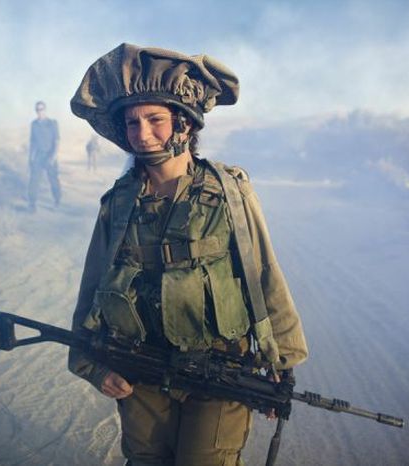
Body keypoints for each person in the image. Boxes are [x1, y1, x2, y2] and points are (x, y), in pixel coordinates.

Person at [68, 43, 308, 466]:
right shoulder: (119, 203)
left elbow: (264, 271)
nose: (142, 134)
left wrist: (281, 361)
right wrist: (92, 365)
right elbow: (94, 284)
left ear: (183, 121)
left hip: (219, 366)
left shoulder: (228, 191)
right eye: (132, 122)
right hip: (139, 365)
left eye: (155, 119)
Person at [27, 100, 61, 212]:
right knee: (34, 180)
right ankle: (32, 204)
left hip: (50, 155)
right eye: (37, 109)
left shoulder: (52, 123)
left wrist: (53, 156)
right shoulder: (34, 124)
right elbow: (32, 142)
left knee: (53, 180)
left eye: (41, 109)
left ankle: (57, 201)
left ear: (45, 110)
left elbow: (57, 141)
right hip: (38, 156)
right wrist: (30, 158)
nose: (39, 112)